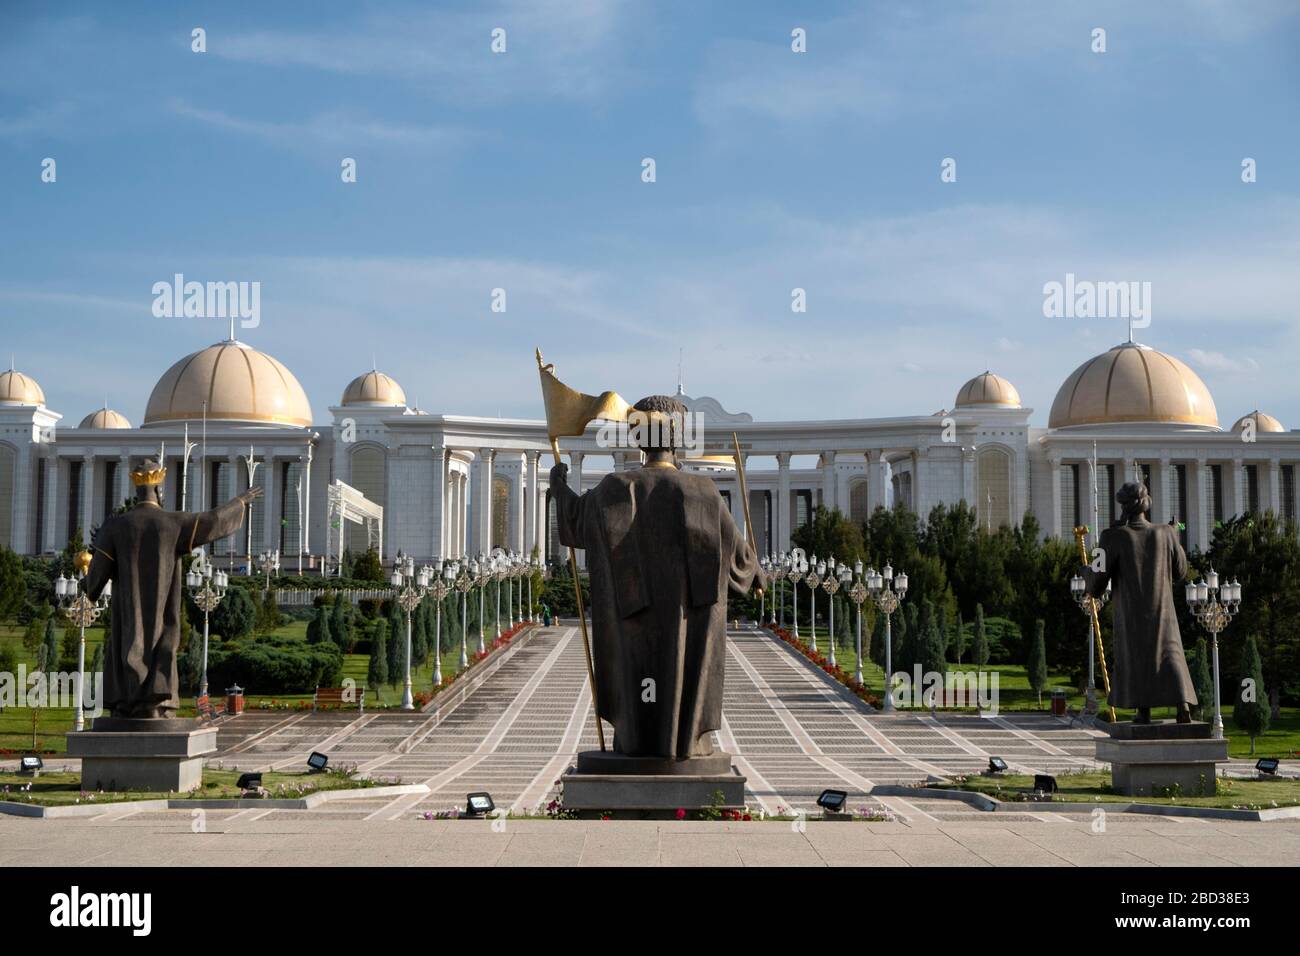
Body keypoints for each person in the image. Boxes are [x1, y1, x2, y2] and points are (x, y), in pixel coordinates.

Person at [551, 394, 764, 758]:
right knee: (684, 675)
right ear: (679, 438)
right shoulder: (704, 492)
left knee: (640, 681)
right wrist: (756, 572)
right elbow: (741, 561)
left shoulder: (614, 488)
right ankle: (687, 744)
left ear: (637, 436)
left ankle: (635, 743)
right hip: (687, 623)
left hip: (635, 623)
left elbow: (573, 521)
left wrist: (558, 483)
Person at [85, 458, 260, 719]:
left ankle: (125, 705)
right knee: (160, 642)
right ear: (159, 490)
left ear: (136, 490)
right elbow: (211, 521)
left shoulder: (115, 526)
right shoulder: (172, 523)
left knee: (127, 643)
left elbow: (95, 580)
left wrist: (85, 579)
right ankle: (156, 706)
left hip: (127, 611)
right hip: (162, 607)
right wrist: (239, 503)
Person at [1082, 480, 1196, 723]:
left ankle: (1143, 711)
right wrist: (1175, 537)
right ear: (1146, 504)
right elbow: (1181, 571)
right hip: (1162, 612)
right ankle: (1182, 706)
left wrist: (1085, 572)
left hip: (1132, 614)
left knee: (1137, 656)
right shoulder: (1165, 533)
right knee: (1170, 654)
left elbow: (1096, 583)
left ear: (1123, 506)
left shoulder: (1112, 536)